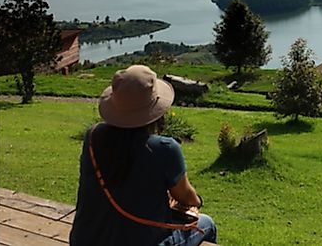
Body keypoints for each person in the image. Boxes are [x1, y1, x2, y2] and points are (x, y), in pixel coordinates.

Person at [69, 65, 217, 246]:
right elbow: (185, 196)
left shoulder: (92, 137)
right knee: (206, 223)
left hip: (85, 241)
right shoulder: (165, 148)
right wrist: (197, 201)